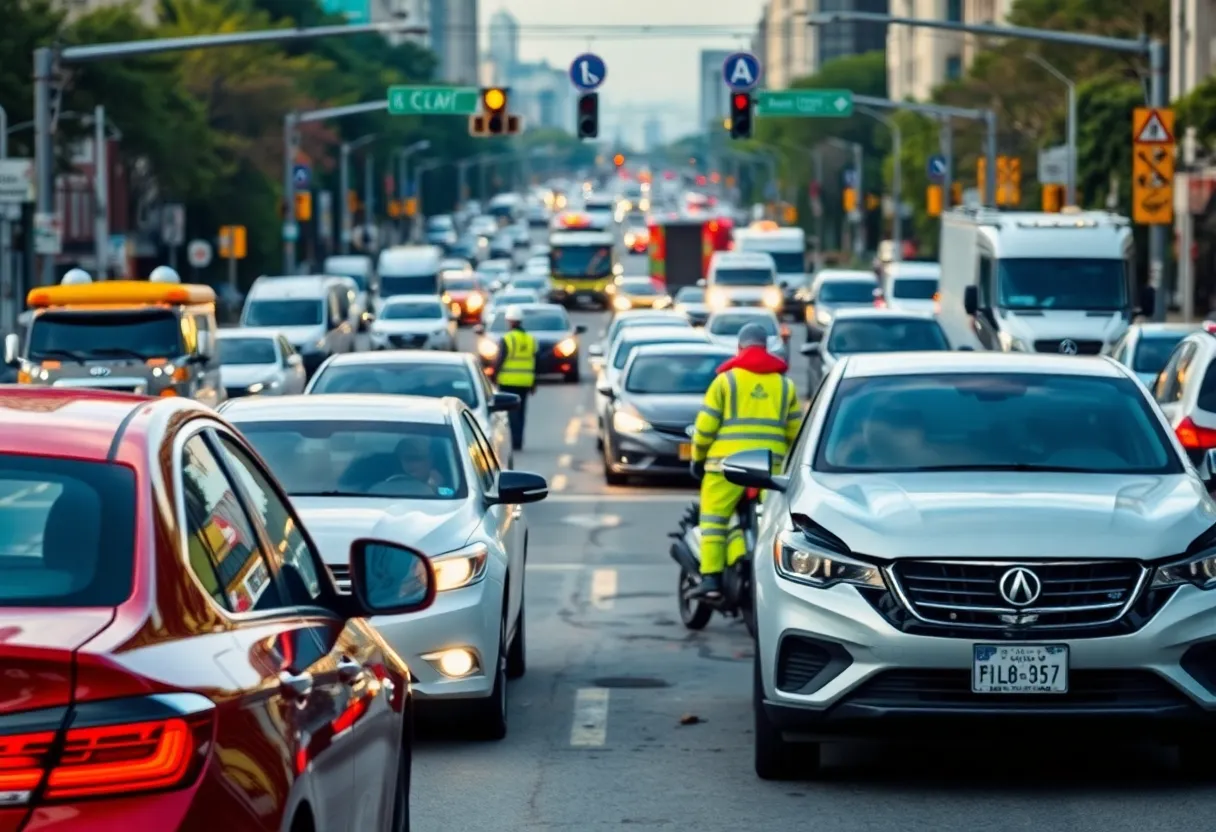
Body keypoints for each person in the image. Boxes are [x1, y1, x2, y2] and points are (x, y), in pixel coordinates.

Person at [689, 323, 800, 599]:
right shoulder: (785, 385)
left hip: (726, 468)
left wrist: (697, 458)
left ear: (739, 347)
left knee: (714, 521)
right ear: (766, 347)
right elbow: (795, 433)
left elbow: (704, 429)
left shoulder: (725, 382)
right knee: (771, 527)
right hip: (769, 471)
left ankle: (711, 580)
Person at [495, 305, 537, 451]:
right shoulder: (530, 339)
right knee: (521, 413)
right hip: (525, 382)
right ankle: (519, 442)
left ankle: (513, 442)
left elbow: (500, 360)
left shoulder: (507, 339)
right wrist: (533, 383)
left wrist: (493, 376)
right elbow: (535, 362)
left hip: (508, 381)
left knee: (510, 414)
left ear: (510, 321)